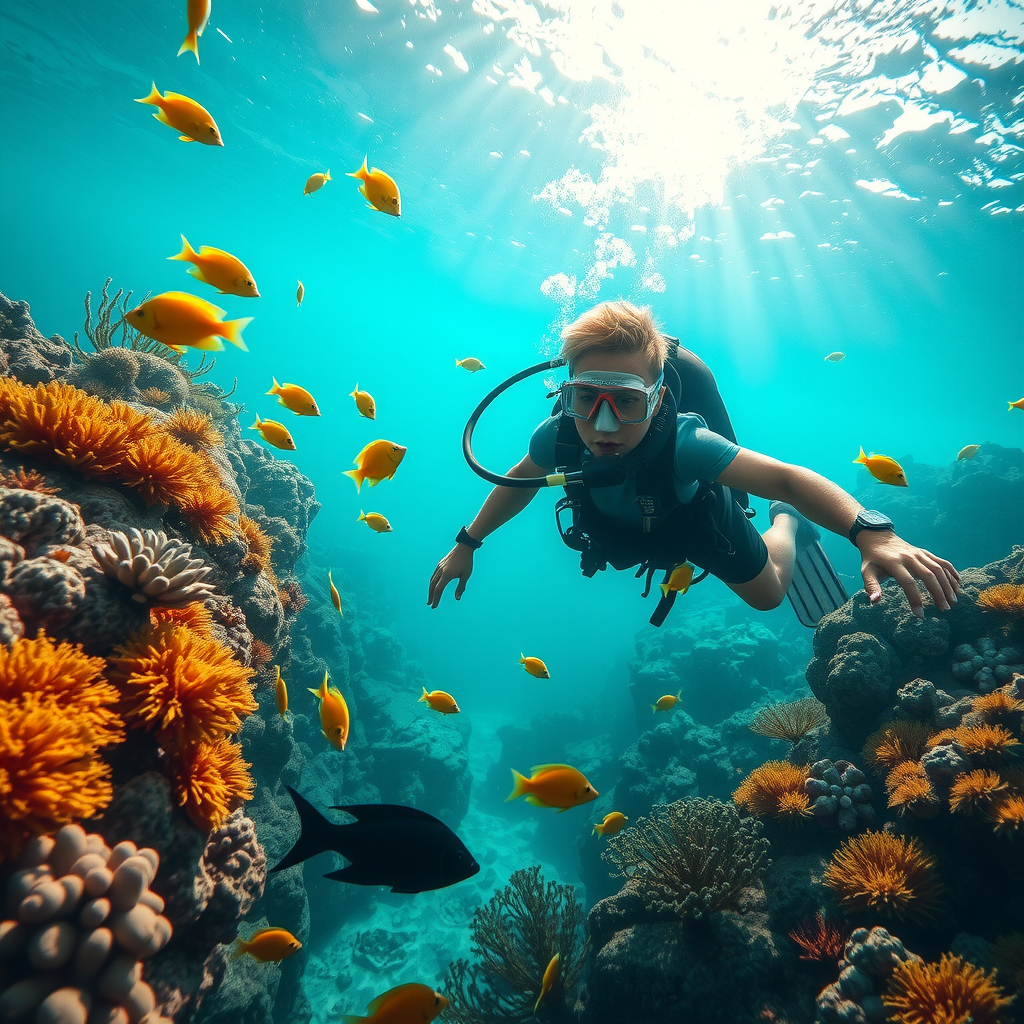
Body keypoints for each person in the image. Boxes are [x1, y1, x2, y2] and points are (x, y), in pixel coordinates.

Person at [427, 300, 961, 621]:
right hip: (622, 530)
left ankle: (787, 528)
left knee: (770, 596)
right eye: (588, 398)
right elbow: (519, 480)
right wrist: (467, 543)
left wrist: (872, 532)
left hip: (695, 521)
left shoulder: (687, 444)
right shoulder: (559, 437)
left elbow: (786, 478)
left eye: (628, 400)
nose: (605, 423)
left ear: (658, 399)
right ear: (565, 396)